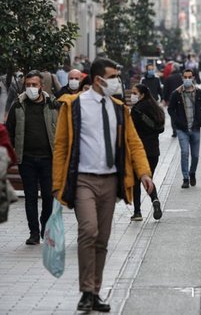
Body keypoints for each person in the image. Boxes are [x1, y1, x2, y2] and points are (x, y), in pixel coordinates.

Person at [52, 57, 154, 313]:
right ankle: (86, 291)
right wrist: (56, 185)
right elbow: (62, 146)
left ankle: (95, 292)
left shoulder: (119, 109)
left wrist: (144, 173)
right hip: (83, 179)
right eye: (112, 77)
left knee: (103, 239)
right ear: (98, 79)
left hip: (110, 181)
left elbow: (134, 143)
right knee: (88, 231)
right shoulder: (73, 107)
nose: (116, 81)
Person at [6, 70, 59, 244]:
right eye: (28, 85)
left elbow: (59, 130)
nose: (30, 88)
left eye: (34, 85)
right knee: (30, 197)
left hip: (48, 159)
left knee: (48, 197)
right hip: (26, 159)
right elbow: (10, 132)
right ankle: (34, 233)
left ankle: (45, 227)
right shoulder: (18, 105)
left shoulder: (53, 105)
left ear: (41, 86)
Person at [168, 68, 201, 188]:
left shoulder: (198, 92)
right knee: (185, 153)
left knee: (195, 156)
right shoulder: (177, 93)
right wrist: (177, 121)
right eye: (185, 77)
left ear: (193, 78)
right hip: (182, 129)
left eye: (189, 77)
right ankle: (185, 178)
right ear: (182, 78)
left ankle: (192, 173)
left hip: (195, 128)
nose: (187, 79)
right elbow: (170, 109)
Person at [130, 84, 164, 221]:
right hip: (154, 151)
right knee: (147, 178)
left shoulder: (136, 110)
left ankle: (137, 212)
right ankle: (154, 199)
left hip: (140, 151)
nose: (132, 95)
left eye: (134, 93)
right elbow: (160, 129)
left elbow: (131, 132)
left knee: (136, 181)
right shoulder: (156, 107)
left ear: (142, 94)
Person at [163, 63, 183, 137]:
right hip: (182, 98)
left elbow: (165, 90)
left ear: (173, 69)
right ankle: (180, 128)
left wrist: (164, 99)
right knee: (181, 113)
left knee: (173, 115)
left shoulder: (169, 78)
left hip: (171, 100)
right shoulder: (182, 77)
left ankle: (175, 131)